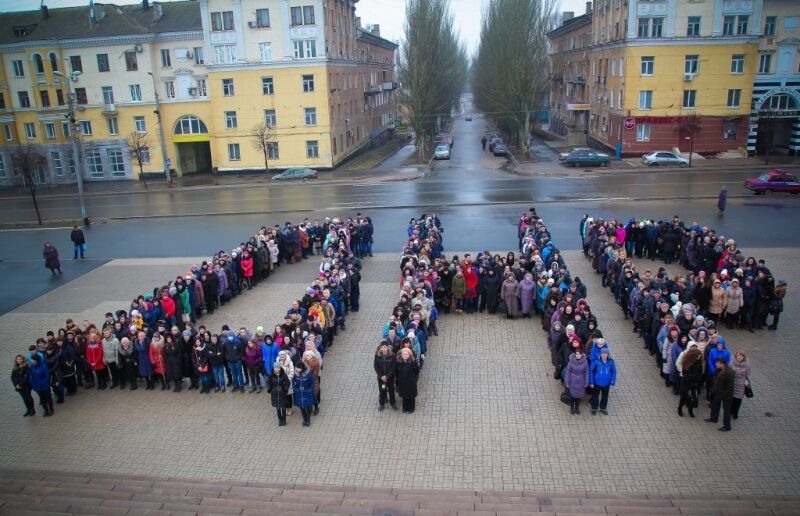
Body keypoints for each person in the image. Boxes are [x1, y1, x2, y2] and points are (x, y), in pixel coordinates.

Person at [706, 357, 734, 431]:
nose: (715, 364)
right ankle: (713, 418)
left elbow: (730, 386)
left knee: (726, 411)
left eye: (717, 363)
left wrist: (724, 395)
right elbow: (715, 380)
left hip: (726, 395)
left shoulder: (729, 372)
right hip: (717, 392)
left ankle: (727, 426)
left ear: (722, 364)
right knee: (714, 405)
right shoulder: (717, 370)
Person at [589, 348, 616, 415]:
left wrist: (612, 381)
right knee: (595, 396)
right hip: (597, 383)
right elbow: (591, 371)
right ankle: (594, 408)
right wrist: (591, 382)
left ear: (607, 354)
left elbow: (614, 372)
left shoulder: (611, 362)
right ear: (601, 354)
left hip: (606, 383)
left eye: (605, 354)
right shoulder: (596, 361)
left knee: (605, 397)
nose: (604, 355)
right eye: (603, 353)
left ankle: (603, 408)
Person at [564, 347, 589, 415]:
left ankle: (577, 408)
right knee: (572, 395)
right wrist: (567, 381)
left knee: (579, 396)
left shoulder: (585, 362)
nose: (578, 355)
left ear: (581, 355)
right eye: (576, 354)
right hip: (573, 380)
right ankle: (572, 408)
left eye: (579, 354)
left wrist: (587, 382)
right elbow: (568, 372)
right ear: (575, 355)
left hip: (581, 380)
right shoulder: (571, 361)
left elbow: (587, 372)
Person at [373, 341, 397, 411]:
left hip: (389, 378)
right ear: (380, 348)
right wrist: (381, 376)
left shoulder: (392, 355)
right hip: (381, 379)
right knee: (382, 390)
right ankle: (381, 403)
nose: (384, 349)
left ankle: (393, 403)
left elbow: (393, 366)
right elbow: (375, 366)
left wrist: (387, 376)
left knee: (391, 390)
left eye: (385, 347)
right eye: (382, 347)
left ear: (387, 347)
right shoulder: (377, 355)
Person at [395, 347, 419, 413]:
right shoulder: (399, 362)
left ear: (409, 355)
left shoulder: (413, 362)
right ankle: (405, 408)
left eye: (406, 354)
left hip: (411, 382)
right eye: (403, 354)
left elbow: (417, 371)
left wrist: (414, 379)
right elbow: (397, 371)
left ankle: (411, 408)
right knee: (404, 395)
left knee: (411, 396)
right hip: (402, 382)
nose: (404, 356)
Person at [292, 362, 316, 427]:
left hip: (307, 393)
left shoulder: (309, 374)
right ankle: (304, 419)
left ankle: (308, 419)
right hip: (299, 394)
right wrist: (295, 389)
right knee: (302, 407)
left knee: (309, 407)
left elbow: (313, 384)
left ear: (302, 368)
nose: (296, 370)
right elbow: (293, 382)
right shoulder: (296, 374)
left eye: (298, 369)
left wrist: (309, 391)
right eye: (296, 369)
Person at [266, 362, 290, 426]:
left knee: (283, 408)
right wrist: (270, 389)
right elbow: (268, 382)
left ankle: (284, 420)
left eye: (278, 368)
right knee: (278, 408)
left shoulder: (283, 375)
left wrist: (285, 389)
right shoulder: (271, 375)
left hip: (282, 393)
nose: (276, 369)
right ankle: (280, 420)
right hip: (275, 394)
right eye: (275, 368)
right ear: (273, 368)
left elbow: (287, 382)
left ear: (280, 368)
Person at [730, 351, 751, 420]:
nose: (739, 357)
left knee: (738, 399)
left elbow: (748, 374)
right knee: (732, 398)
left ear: (743, 357)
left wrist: (746, 381)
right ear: (736, 356)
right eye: (738, 356)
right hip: (733, 382)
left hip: (741, 384)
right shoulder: (731, 363)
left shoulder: (747, 365)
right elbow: (729, 371)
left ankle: (736, 413)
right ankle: (731, 411)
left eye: (741, 356)